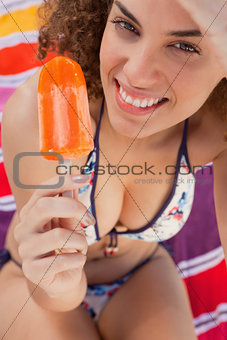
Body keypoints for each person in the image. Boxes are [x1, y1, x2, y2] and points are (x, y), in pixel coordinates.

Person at [0, 0, 227, 339]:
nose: (136, 74)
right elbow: (52, 293)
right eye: (128, 26)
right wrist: (58, 284)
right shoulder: (39, 110)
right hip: (35, 284)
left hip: (143, 272)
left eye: (184, 46)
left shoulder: (215, 131)